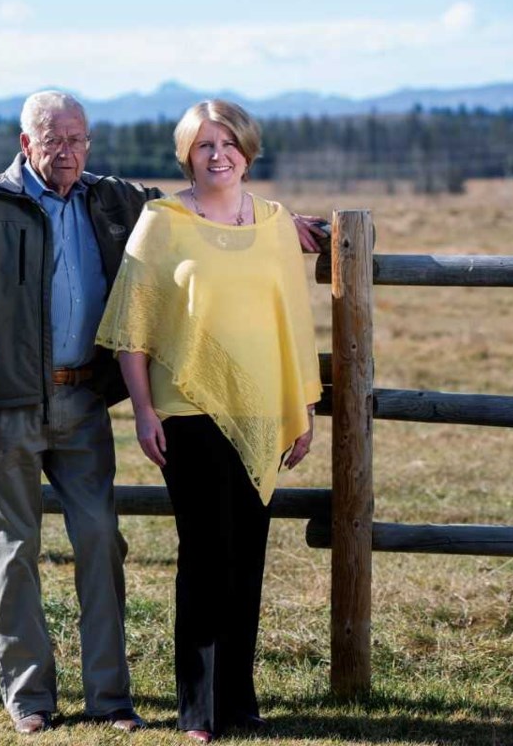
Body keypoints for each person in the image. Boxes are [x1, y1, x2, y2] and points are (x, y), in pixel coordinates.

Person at [0, 90, 323, 735]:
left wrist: (289, 224)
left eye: (79, 138)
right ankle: (31, 698)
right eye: (53, 139)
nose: (68, 151)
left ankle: (109, 699)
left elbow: (201, 200)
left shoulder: (108, 197)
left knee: (100, 544)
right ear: (25, 142)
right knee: (12, 549)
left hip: (83, 399)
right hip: (6, 406)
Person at [95, 99, 322, 742]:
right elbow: (132, 331)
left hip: (261, 410)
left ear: (248, 150)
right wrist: (142, 412)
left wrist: (300, 407)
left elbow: (293, 321)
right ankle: (199, 712)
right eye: (203, 146)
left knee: (247, 556)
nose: (217, 155)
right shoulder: (162, 222)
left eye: (228, 143)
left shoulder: (276, 223)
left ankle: (240, 704)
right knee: (203, 555)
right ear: (186, 155)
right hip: (187, 410)